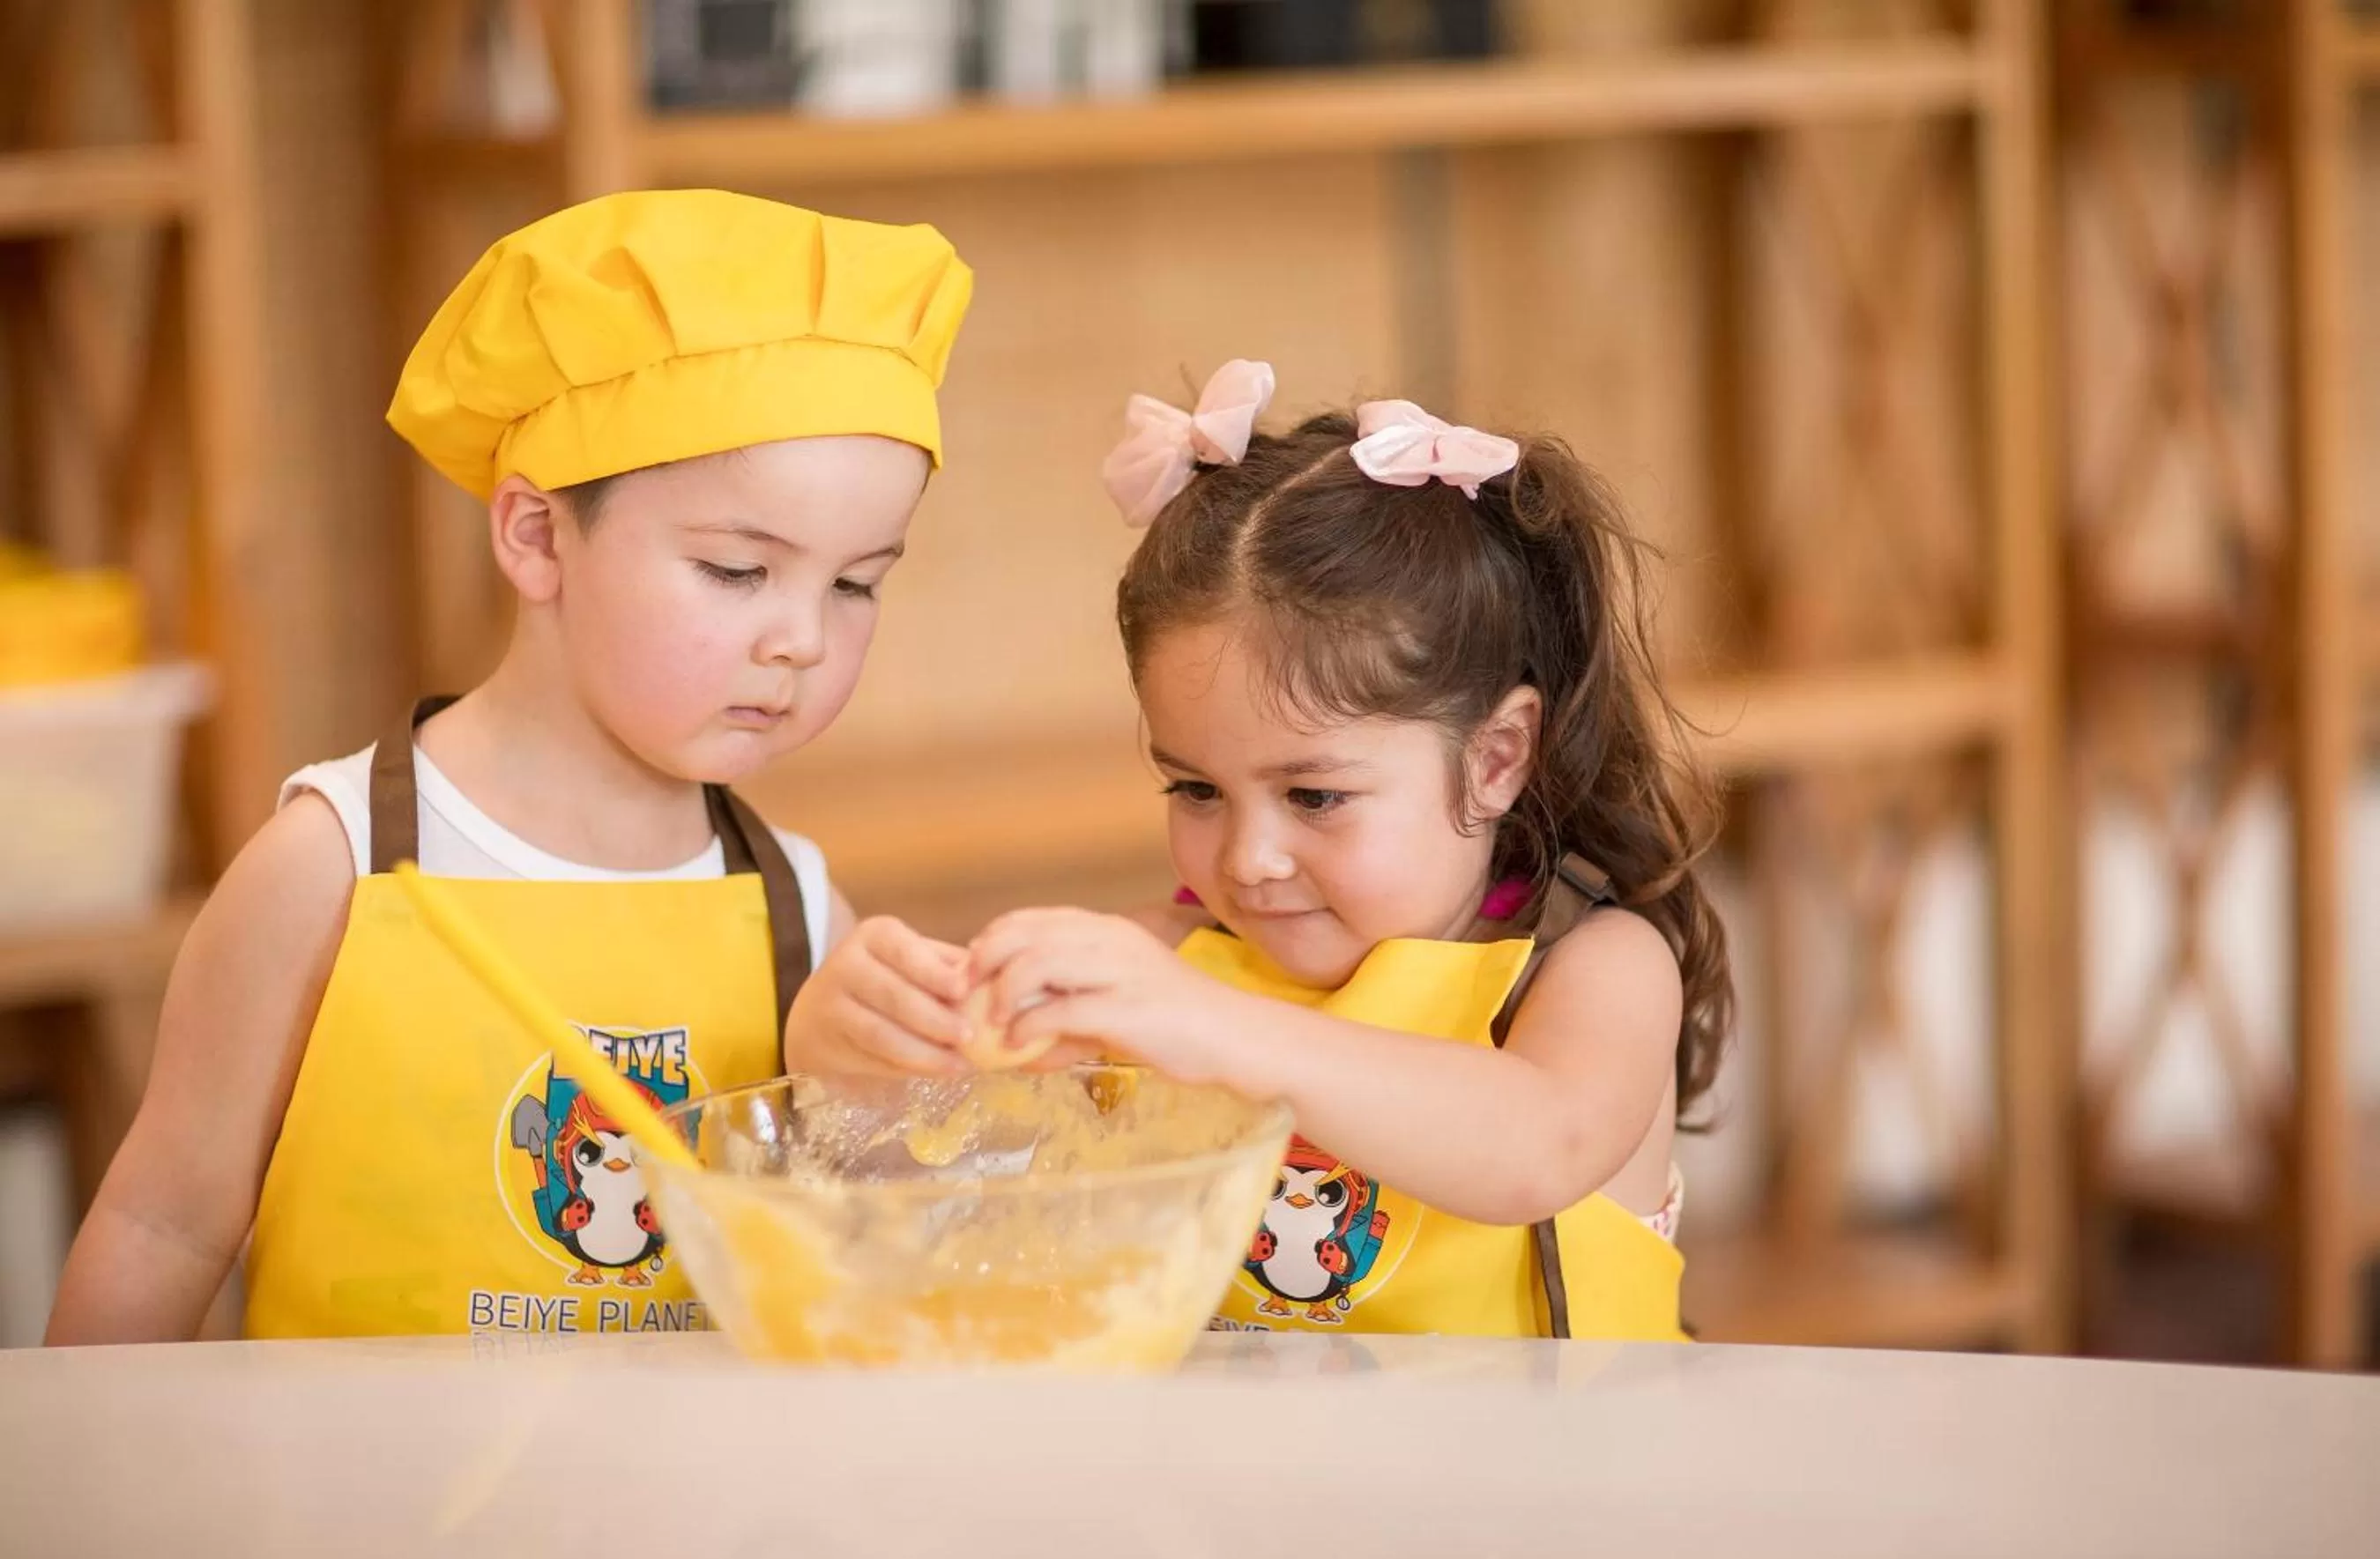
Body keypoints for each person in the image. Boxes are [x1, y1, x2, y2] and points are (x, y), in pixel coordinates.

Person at [48, 189, 981, 1342]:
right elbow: (165, 1226)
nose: (802, 637)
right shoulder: (331, 865)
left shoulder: (797, 905)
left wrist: (887, 1103)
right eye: (739, 570)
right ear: (536, 536)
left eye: (856, 584)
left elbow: (870, 1262)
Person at [968, 360, 1734, 1339]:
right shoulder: (1175, 965)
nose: (1248, 859)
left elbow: (1534, 1145)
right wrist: (892, 1031)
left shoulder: (1590, 970)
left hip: (1559, 1485)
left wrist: (1204, 1026)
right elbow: (972, 1165)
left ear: (1496, 757)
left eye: (1315, 795)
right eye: (1196, 789)